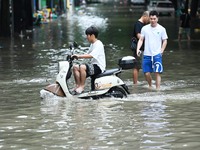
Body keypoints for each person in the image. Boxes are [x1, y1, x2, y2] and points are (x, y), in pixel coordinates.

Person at [136, 10, 168, 90]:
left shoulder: (161, 29)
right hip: (147, 54)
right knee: (146, 73)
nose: (152, 20)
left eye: (154, 19)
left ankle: (158, 89)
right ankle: (150, 85)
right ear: (149, 19)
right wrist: (138, 49)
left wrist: (161, 51)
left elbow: (165, 40)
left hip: (157, 54)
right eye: (151, 19)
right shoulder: (144, 28)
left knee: (157, 73)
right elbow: (141, 40)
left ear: (157, 19)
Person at [72, 26, 106, 94]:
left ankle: (82, 86)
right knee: (75, 67)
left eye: (88, 35)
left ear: (92, 35)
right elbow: (87, 54)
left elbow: (91, 55)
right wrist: (75, 56)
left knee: (82, 67)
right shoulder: (92, 44)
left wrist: (79, 56)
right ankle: (78, 86)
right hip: (93, 66)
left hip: (99, 67)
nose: (87, 37)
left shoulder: (98, 44)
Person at [132, 11, 149, 85]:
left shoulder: (143, 25)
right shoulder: (138, 24)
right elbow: (139, 36)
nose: (149, 21)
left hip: (143, 48)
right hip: (138, 49)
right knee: (137, 67)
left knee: (140, 66)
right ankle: (135, 83)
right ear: (145, 16)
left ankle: (140, 82)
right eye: (149, 19)